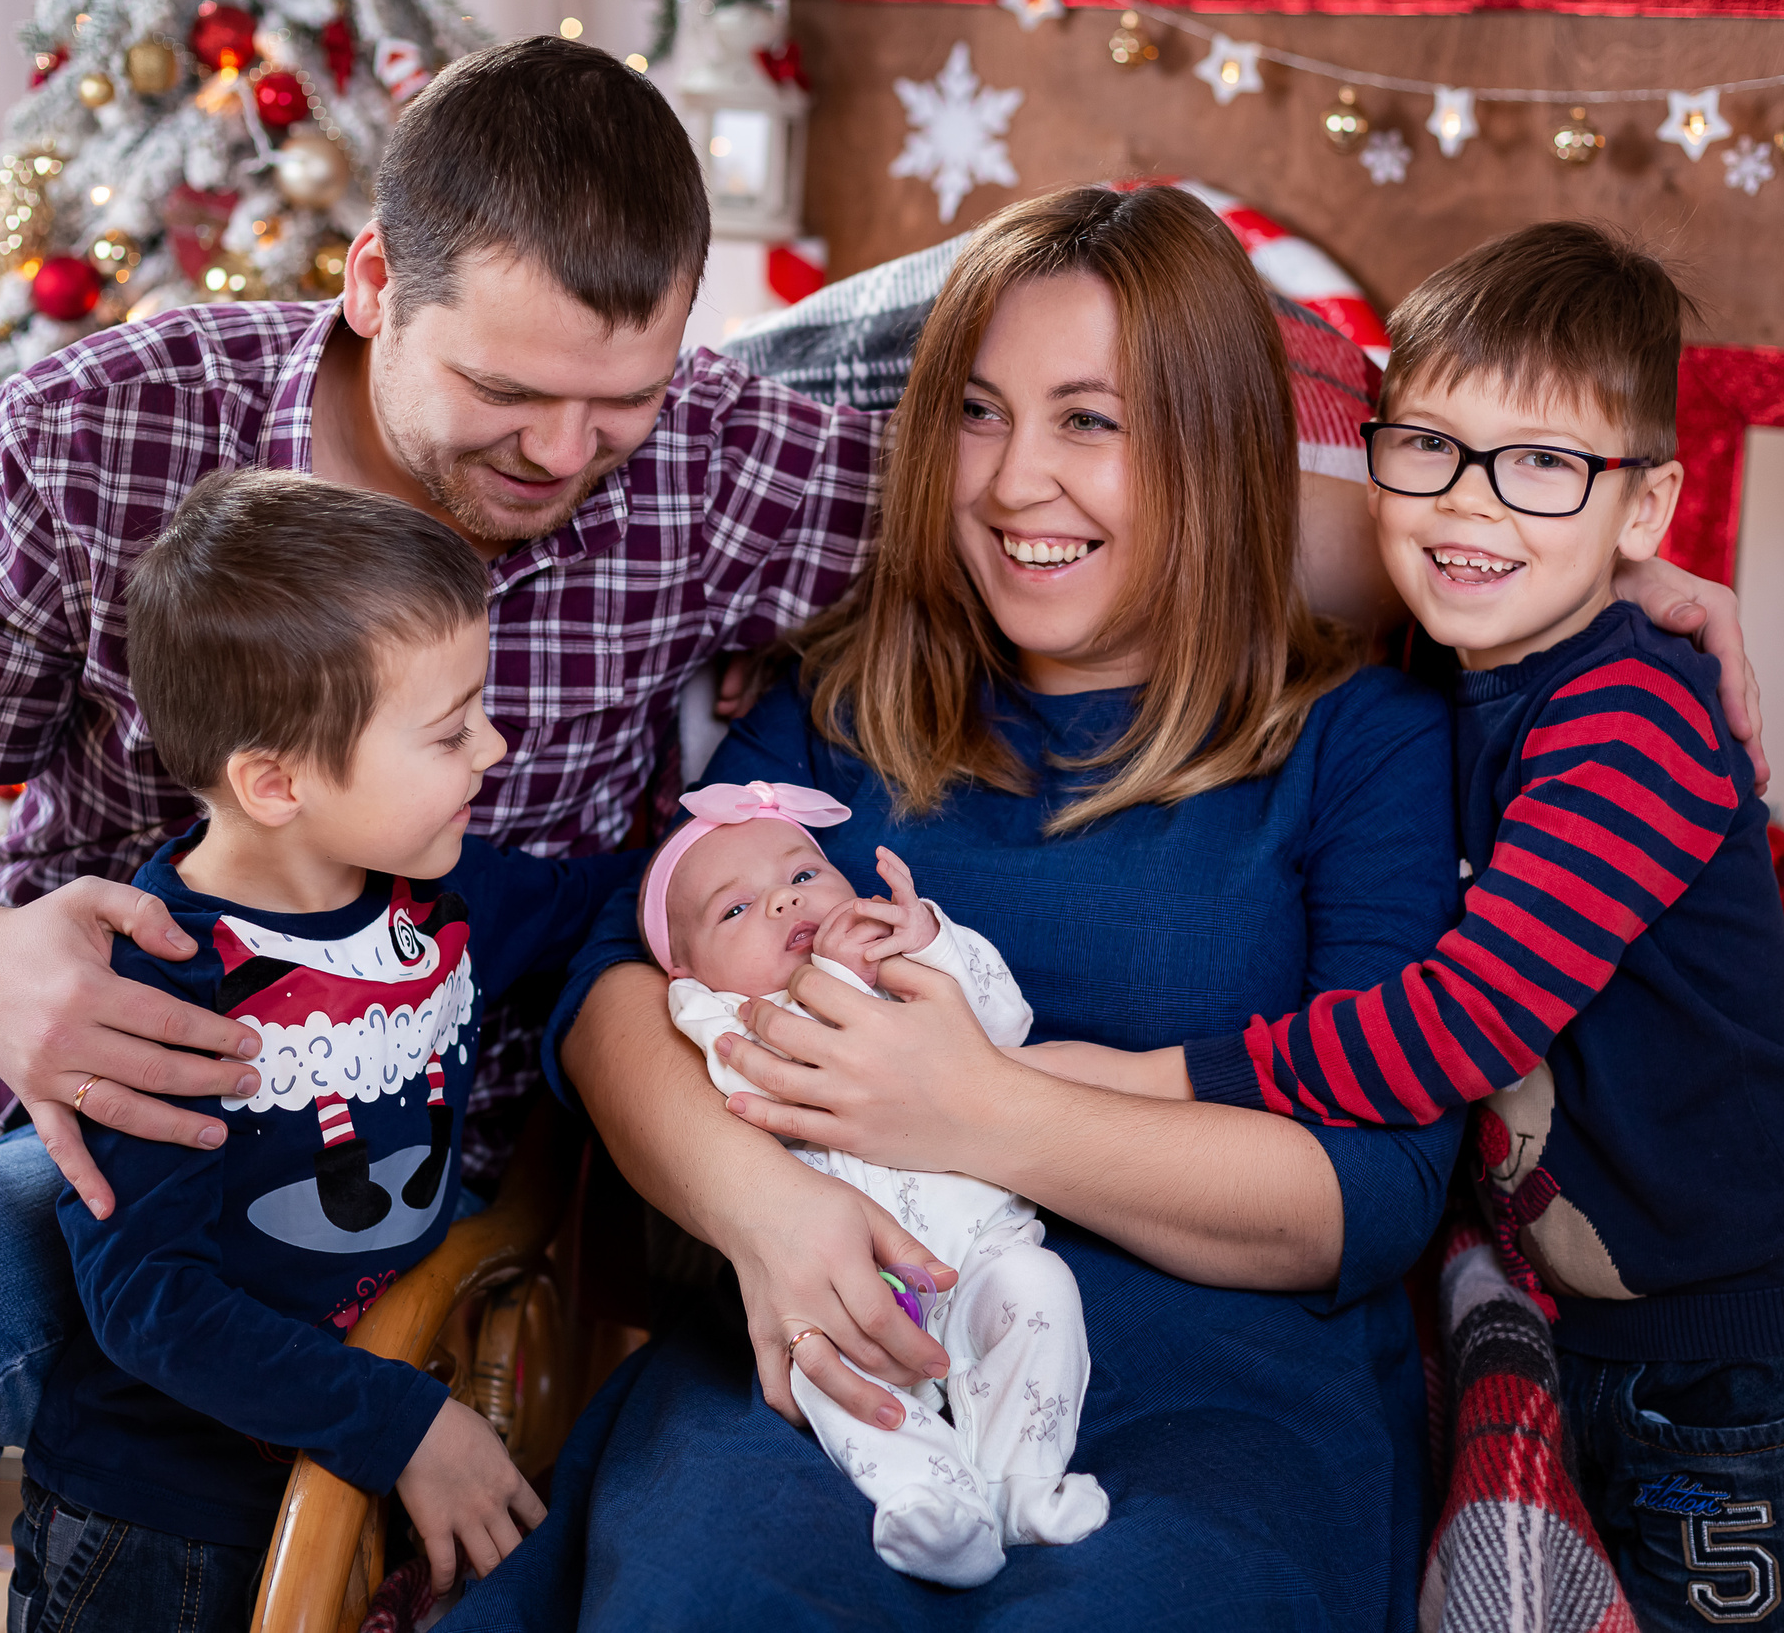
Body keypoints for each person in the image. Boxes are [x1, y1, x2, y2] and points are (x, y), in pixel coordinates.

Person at [0, 37, 1759, 1627]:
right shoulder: (113, 428)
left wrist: (1542, 551)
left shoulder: (713, 473)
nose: (559, 457)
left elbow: (1124, 514)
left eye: (613, 404)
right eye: (506, 398)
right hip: (5, 1019)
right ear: (368, 280)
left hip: (453, 1118)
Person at [451, 182, 1455, 1630]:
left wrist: (975, 1106)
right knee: (709, 1600)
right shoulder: (844, 703)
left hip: (1209, 1400)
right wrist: (768, 1214)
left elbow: (1373, 1193)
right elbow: (619, 985)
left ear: (1218, 448)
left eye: (1090, 422)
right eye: (979, 413)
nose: (1012, 481)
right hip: (847, 1341)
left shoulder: (1358, 745)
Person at [1067, 224, 1784, 1631]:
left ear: (1642, 508)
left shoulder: (1627, 717)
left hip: (1753, 1368)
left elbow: (1455, 1028)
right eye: (1431, 447)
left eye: (1542, 464)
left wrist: (1116, 1076)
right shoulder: (1458, 665)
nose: (1470, 507)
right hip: (1579, 1333)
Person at [13, 468, 641, 1629]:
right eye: (449, 730)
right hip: (162, 1526)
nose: (493, 748)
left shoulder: (445, 900)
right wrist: (399, 1423)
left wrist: (738, 864)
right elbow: (149, 1300)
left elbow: (613, 899)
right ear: (276, 782)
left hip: (367, 1467)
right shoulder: (160, 988)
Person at [650, 785, 1103, 1587]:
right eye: (735, 910)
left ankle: (1022, 1484)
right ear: (684, 969)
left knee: (1041, 1292)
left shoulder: (903, 969)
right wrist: (758, 999)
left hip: (972, 1256)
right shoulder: (719, 1014)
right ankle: (932, 1502)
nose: (785, 899)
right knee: (832, 1378)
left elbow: (1006, 1024)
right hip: (838, 1275)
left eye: (803, 872)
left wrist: (928, 944)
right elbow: (738, 1074)